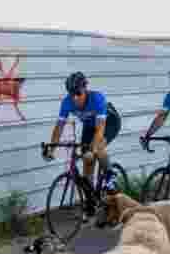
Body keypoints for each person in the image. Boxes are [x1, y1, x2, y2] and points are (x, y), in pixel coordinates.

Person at [44, 72, 121, 207]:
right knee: (87, 159)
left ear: (85, 89)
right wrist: (52, 148)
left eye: (78, 93)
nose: (75, 98)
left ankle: (110, 175)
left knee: (97, 148)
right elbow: (59, 127)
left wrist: (93, 147)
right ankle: (91, 199)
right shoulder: (67, 102)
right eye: (71, 94)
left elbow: (100, 129)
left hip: (109, 122)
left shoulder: (97, 99)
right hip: (90, 126)